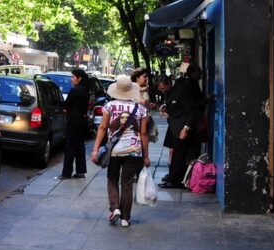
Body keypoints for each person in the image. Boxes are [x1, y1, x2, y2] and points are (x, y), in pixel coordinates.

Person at [91, 75, 149, 228]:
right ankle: (125, 218)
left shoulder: (109, 106)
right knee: (127, 184)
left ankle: (115, 208)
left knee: (112, 179)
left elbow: (102, 128)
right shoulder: (141, 109)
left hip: (115, 150)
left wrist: (96, 149)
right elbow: (143, 134)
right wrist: (146, 156)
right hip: (134, 151)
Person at [157, 75, 197, 189]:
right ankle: (174, 177)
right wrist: (165, 107)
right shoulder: (169, 92)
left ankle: (175, 181)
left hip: (182, 127)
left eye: (164, 88)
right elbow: (173, 104)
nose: (162, 91)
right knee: (175, 153)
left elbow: (191, 111)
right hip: (174, 126)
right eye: (161, 89)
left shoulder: (181, 91)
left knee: (179, 155)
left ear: (169, 83)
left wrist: (186, 128)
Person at [57, 69, 90, 180]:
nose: (71, 79)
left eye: (73, 77)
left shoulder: (75, 90)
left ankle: (66, 173)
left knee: (70, 147)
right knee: (80, 147)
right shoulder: (86, 91)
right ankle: (80, 171)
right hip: (82, 121)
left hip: (73, 122)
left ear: (79, 78)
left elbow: (67, 105)